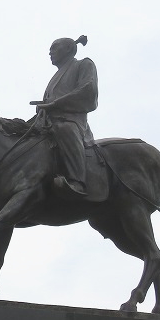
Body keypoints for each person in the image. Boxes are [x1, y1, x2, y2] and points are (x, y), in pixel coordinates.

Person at [30, 35, 98, 198]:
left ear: (68, 49)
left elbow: (87, 90)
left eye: (54, 47)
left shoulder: (84, 64)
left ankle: (77, 181)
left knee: (64, 129)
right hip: (46, 122)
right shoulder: (55, 77)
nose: (50, 52)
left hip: (71, 121)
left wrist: (55, 104)